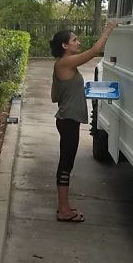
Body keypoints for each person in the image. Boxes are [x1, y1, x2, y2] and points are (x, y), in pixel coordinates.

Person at [50, 22, 118, 222]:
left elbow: (54, 97)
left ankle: (64, 206)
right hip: (68, 120)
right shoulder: (65, 63)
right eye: (74, 40)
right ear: (65, 45)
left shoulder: (62, 65)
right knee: (66, 164)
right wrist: (108, 29)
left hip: (68, 120)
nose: (78, 42)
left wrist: (72, 92)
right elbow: (95, 51)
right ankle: (63, 210)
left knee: (67, 163)